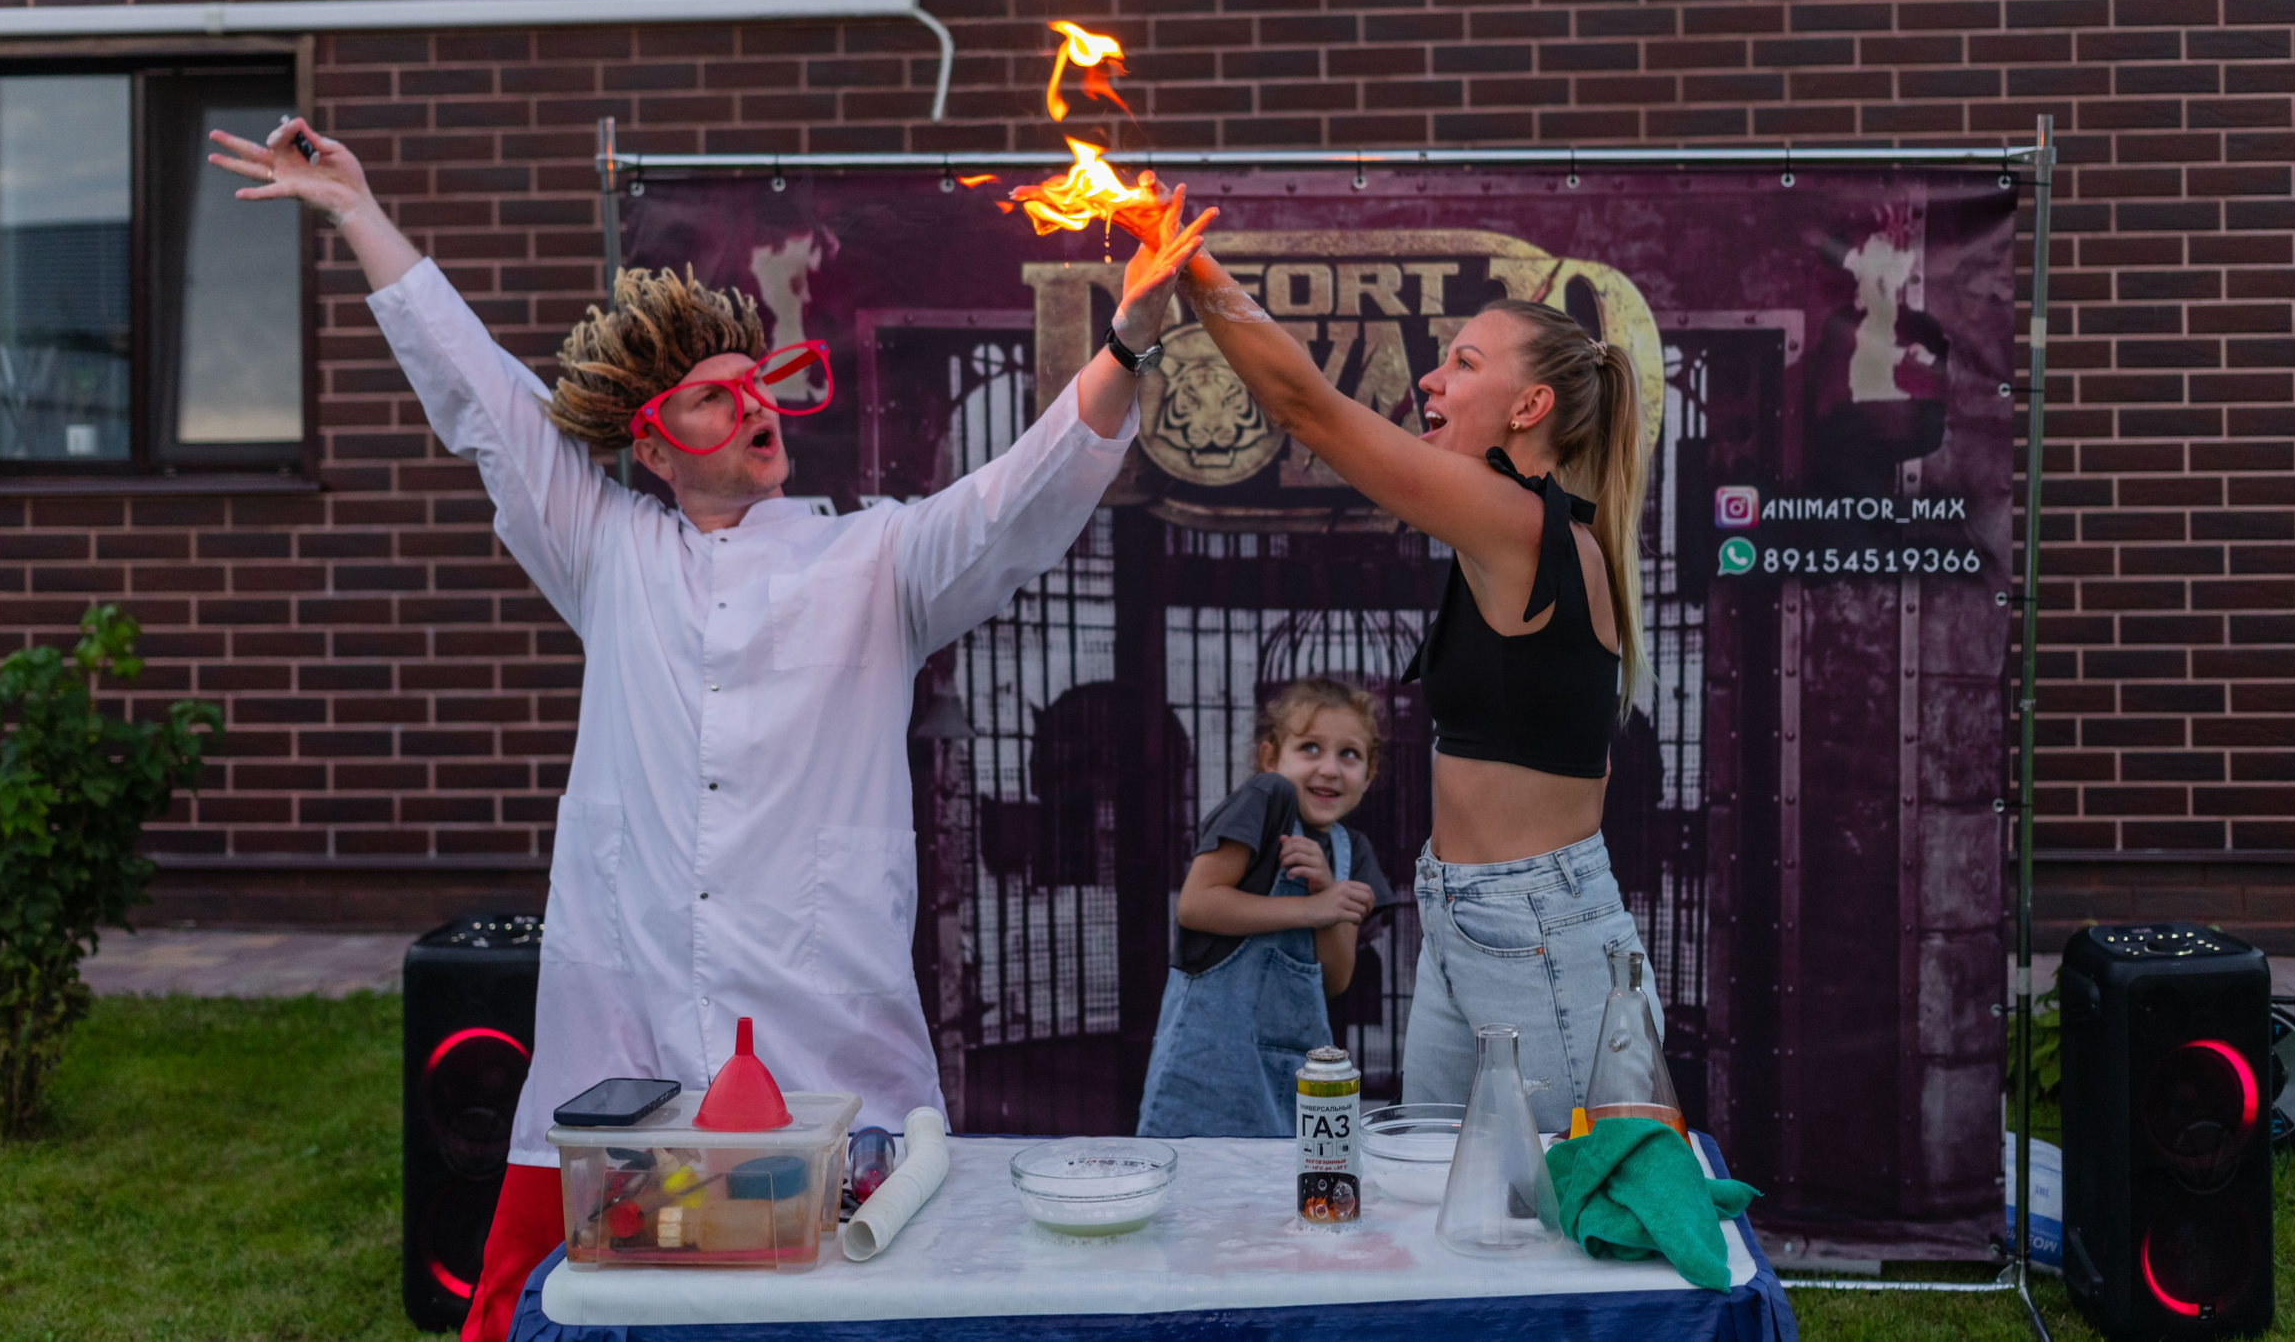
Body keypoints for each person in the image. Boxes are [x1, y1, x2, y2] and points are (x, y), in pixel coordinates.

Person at [209, 118, 1212, 1342]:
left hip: (823, 1048)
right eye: (712, 400)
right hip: (622, 1048)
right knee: (597, 1308)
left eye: (756, 391)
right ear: (652, 445)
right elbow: (485, 405)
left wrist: (1124, 337)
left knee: (847, 1308)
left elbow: (1018, 499)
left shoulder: (874, 557)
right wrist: (361, 214)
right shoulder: (605, 550)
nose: (753, 411)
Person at [1175, 259, 1661, 1134]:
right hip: (1466, 917)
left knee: (1558, 1217)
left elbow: (1306, 409)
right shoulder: (1506, 531)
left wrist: (1193, 270)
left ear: (1530, 408)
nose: (1430, 379)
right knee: (1436, 1200)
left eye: (1466, 363)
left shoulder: (1520, 523)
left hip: (1537, 928)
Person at [1136, 677, 1396, 1137]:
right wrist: (1315, 908)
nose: (1330, 769)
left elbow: (1335, 980)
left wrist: (1327, 889)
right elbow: (1197, 905)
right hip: (1207, 1071)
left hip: (1290, 1078)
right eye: (1310, 748)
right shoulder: (1266, 799)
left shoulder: (1352, 853)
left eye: (1349, 754)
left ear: (1370, 773)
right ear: (1270, 758)